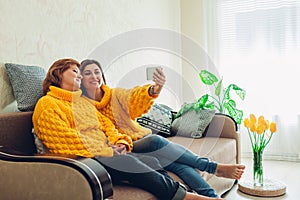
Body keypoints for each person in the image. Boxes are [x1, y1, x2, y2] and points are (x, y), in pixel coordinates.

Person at [32, 58, 225, 200]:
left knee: (153, 161)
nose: (81, 75)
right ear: (58, 74)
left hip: (109, 151)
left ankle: (186, 193)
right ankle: (194, 198)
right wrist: (107, 150)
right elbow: (61, 139)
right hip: (87, 160)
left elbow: (108, 126)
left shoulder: (83, 103)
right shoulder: (48, 104)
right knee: (128, 160)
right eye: (75, 71)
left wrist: (120, 142)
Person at [79, 59, 245, 198]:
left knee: (175, 163)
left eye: (97, 72)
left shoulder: (115, 95)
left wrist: (154, 89)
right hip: (123, 149)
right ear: (81, 79)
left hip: (138, 142)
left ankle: (211, 196)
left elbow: (133, 97)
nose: (94, 76)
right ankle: (212, 167)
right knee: (156, 141)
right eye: (88, 73)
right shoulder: (82, 106)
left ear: (102, 75)